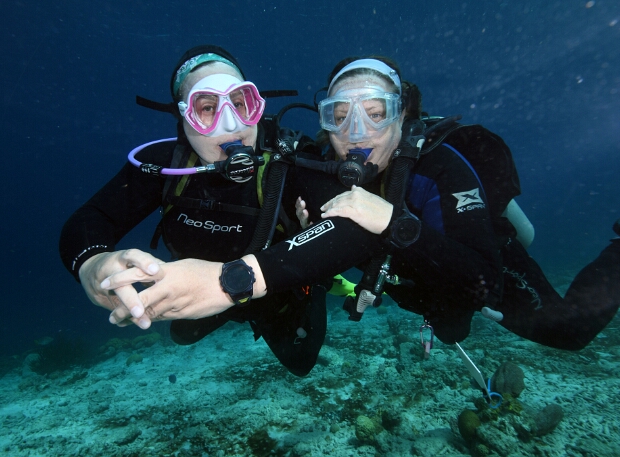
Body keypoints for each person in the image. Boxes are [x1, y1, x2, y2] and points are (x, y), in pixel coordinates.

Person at [98, 56, 620, 351]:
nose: (356, 133)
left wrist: (395, 222)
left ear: (402, 115)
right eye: (339, 116)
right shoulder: (315, 165)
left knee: (566, 331)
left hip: (474, 254)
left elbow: (483, 280)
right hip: (410, 280)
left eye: (376, 113)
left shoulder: (440, 168)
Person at [59, 44, 330, 376]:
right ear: (183, 117)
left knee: (301, 361)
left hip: (274, 293)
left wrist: (315, 230)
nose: (231, 125)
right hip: (200, 292)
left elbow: (345, 231)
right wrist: (92, 262)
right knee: (182, 334)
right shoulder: (166, 165)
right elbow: (90, 218)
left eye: (239, 103)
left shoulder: (290, 159)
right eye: (208, 108)